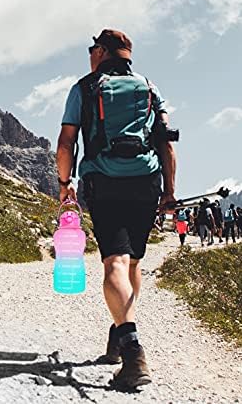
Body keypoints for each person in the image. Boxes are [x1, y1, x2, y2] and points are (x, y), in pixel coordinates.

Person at [56, 29, 177, 390]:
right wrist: (169, 191)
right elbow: (166, 143)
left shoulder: (84, 88)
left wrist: (64, 183)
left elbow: (66, 142)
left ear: (103, 52)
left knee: (115, 263)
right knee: (133, 263)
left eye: (93, 48)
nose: (90, 53)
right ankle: (118, 333)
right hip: (147, 182)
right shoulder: (150, 87)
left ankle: (133, 352)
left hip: (105, 181)